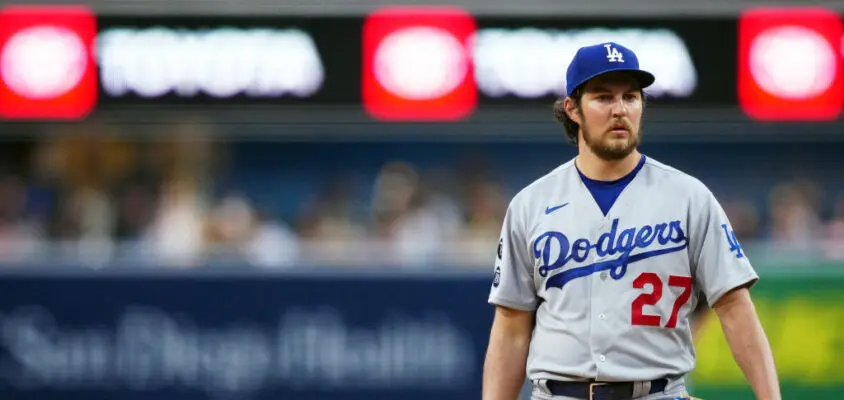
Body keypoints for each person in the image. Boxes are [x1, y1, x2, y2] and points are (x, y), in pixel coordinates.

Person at [482, 42, 780, 400]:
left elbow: (734, 307)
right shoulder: (530, 205)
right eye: (603, 98)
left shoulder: (689, 197)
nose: (620, 109)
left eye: (631, 97)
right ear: (572, 109)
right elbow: (512, 326)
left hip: (658, 392)